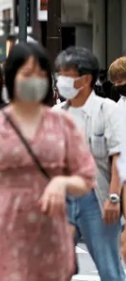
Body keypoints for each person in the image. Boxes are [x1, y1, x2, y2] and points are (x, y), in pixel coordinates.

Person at [0, 42, 96, 281]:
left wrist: (62, 184)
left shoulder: (63, 124)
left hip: (49, 233)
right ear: (12, 76)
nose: (34, 79)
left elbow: (86, 178)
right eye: (27, 73)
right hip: (0, 225)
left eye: (41, 74)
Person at [54, 47, 125, 280]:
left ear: (85, 79)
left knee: (109, 267)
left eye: (67, 74)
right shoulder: (56, 114)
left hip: (97, 198)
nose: (60, 80)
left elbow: (118, 158)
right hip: (61, 199)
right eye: (60, 73)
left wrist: (114, 198)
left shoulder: (109, 111)